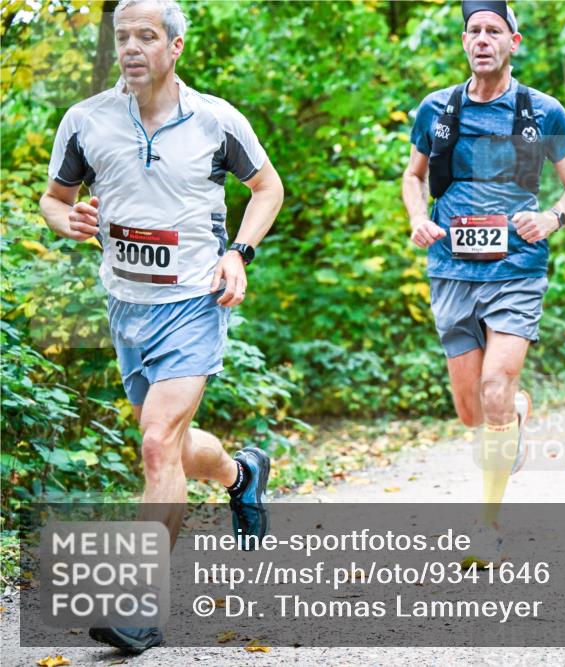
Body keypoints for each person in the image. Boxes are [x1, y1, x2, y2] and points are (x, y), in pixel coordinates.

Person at [39, 0, 283, 653]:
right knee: (169, 446)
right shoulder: (85, 121)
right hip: (127, 305)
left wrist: (239, 253)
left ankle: (141, 607)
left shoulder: (215, 121)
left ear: (175, 46)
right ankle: (240, 474)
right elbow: (54, 199)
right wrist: (67, 220)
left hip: (194, 301)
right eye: (124, 36)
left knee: (155, 443)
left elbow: (268, 189)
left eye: (147, 35)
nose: (132, 47)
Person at [402, 0, 565, 565]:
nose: (482, 39)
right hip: (452, 270)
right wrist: (418, 217)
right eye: (473, 31)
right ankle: (515, 412)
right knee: (471, 411)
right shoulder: (437, 109)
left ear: (515, 41)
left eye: (493, 31)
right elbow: (413, 178)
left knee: (493, 390)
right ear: (465, 43)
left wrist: (553, 217)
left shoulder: (543, 111)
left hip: (518, 268)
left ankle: (486, 525)